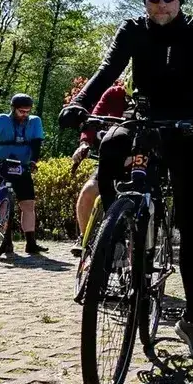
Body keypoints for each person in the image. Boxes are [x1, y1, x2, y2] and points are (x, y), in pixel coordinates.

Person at [59, 0, 193, 360]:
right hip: (145, 119)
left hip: (185, 128)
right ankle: (118, 229)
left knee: (188, 217)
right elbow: (107, 70)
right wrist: (80, 102)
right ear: (144, 0)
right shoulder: (133, 30)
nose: (161, 4)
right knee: (113, 145)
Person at [0, 93, 46, 258]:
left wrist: (34, 161)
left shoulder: (34, 121)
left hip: (22, 167)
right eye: (21, 111)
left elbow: (36, 144)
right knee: (2, 202)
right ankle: (5, 240)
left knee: (28, 204)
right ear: (13, 109)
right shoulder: (2, 119)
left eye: (27, 111)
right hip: (2, 165)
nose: (24, 115)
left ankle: (31, 243)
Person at [67, 79, 128, 258]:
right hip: (111, 158)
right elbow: (93, 118)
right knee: (88, 191)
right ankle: (85, 238)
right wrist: (85, 143)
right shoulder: (114, 93)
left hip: (140, 159)